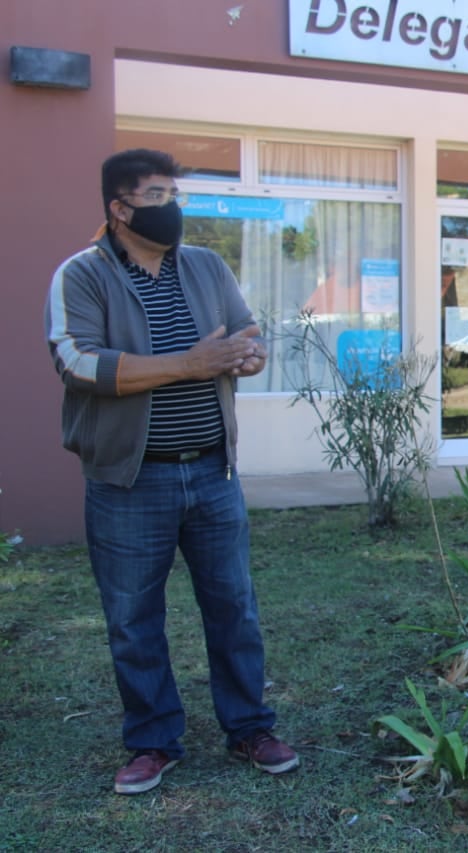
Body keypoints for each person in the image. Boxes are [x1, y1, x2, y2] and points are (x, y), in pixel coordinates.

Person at [45, 149, 298, 794]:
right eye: (157, 194)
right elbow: (78, 363)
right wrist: (190, 363)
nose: (172, 207)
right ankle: (154, 740)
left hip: (213, 473)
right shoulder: (81, 275)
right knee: (133, 619)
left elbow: (246, 331)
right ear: (119, 207)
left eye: (174, 192)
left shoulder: (207, 265)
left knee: (234, 609)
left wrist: (248, 355)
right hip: (130, 482)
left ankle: (249, 729)